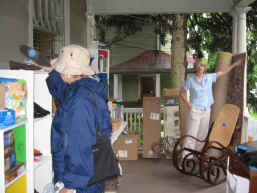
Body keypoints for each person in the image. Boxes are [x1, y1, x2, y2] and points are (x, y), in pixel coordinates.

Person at [40, 45, 112, 193]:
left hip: (81, 180)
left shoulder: (80, 102)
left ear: (67, 73)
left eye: (60, 70)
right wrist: (53, 72)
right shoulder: (85, 87)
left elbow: (80, 146)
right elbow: (63, 92)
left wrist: (70, 185)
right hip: (90, 171)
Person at [180, 57, 245, 156]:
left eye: (202, 65)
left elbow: (223, 72)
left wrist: (235, 65)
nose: (200, 67)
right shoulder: (190, 80)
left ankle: (196, 156)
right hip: (195, 110)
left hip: (206, 111)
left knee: (202, 135)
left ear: (204, 68)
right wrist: (190, 105)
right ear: (195, 67)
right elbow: (182, 93)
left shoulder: (209, 77)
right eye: (198, 65)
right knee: (191, 135)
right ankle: (186, 158)